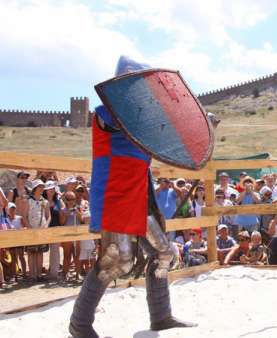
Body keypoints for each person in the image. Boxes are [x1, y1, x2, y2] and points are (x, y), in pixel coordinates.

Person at [68, 56, 196, 337]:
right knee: (117, 260)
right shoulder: (105, 113)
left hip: (140, 194)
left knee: (164, 253)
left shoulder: (143, 120)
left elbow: (172, 144)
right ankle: (80, 325)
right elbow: (126, 127)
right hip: (115, 191)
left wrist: (197, 128)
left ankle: (161, 317)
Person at [22, 179, 50, 282]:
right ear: (35, 188)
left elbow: (49, 216)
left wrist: (46, 225)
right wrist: (30, 228)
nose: (42, 188)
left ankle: (38, 274)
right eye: (40, 186)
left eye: (42, 186)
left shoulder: (45, 201)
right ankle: (32, 275)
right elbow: (24, 217)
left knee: (40, 253)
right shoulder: (28, 201)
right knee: (31, 253)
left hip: (42, 231)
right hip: (31, 230)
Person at [44, 180, 64, 280]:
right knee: (41, 251)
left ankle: (54, 273)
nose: (51, 191)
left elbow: (63, 210)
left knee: (55, 251)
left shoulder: (58, 201)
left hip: (56, 228)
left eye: (52, 189)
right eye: (49, 189)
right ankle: (43, 272)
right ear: (46, 190)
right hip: (44, 228)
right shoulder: (42, 200)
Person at [5, 202, 27, 281]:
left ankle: (24, 273)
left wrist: (21, 230)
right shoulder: (5, 220)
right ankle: (15, 275)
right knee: (14, 258)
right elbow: (6, 230)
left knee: (21, 257)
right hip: (11, 241)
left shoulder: (19, 218)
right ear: (7, 210)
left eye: (13, 209)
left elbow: (25, 227)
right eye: (11, 209)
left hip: (20, 240)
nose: (12, 210)